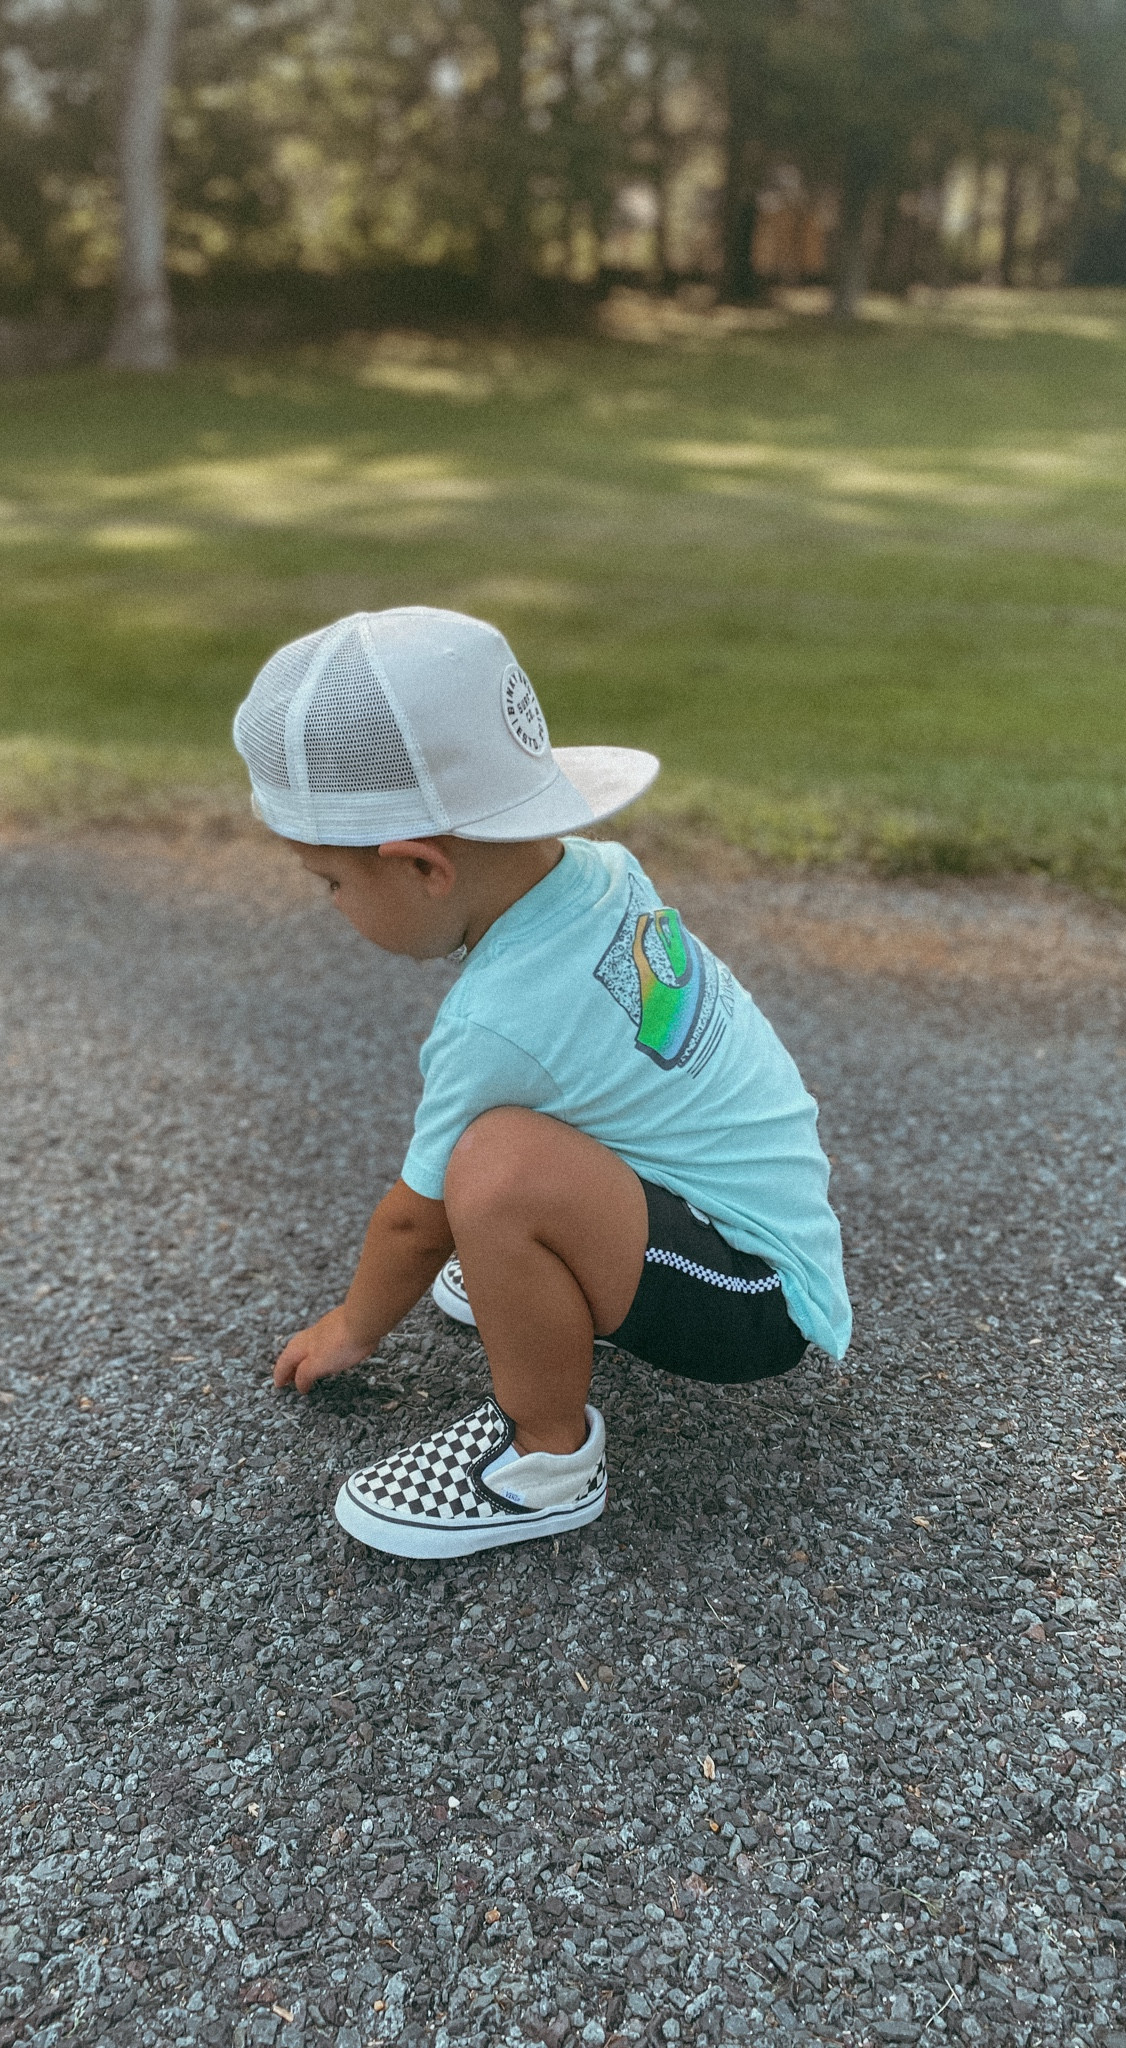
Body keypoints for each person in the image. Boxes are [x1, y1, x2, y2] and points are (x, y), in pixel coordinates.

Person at [231, 607, 851, 1559]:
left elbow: (414, 1218)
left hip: (752, 1298)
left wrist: (354, 1328)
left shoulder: (496, 1019)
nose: (333, 907)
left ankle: (543, 1462)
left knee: (497, 1170)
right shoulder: (597, 872)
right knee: (515, 1157)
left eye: (331, 884)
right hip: (735, 1220)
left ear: (423, 867)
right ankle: (549, 1281)